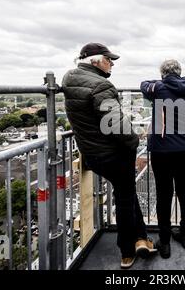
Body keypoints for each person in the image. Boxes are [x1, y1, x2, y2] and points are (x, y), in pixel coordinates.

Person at [62, 42, 156, 269]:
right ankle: (127, 252)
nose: (111, 63)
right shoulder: (101, 85)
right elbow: (117, 126)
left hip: (91, 154)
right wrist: (135, 142)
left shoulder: (69, 79)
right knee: (125, 199)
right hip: (113, 155)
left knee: (128, 192)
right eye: (108, 59)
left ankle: (142, 238)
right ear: (94, 61)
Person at [140, 59, 185, 259]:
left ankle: (164, 242)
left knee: (164, 194)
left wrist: (160, 81)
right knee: (184, 191)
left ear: (162, 74)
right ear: (179, 73)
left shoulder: (158, 88)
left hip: (162, 149)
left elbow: (143, 85)